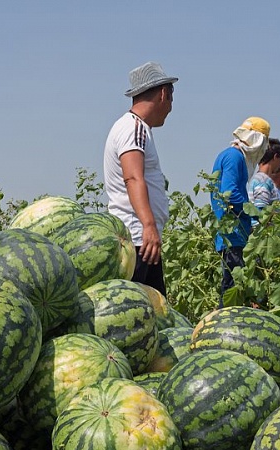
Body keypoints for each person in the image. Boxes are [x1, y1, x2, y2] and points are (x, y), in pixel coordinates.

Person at [103, 61, 177, 296]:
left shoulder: (137, 128)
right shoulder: (133, 127)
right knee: (139, 313)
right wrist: (148, 226)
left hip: (140, 240)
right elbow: (133, 178)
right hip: (138, 239)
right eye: (172, 99)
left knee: (155, 311)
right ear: (164, 93)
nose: (170, 108)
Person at [211, 117, 271, 304]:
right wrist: (256, 213)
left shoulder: (231, 156)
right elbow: (230, 193)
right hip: (232, 234)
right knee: (232, 290)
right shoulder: (234, 156)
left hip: (234, 233)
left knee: (235, 288)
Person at [247, 138, 280, 227]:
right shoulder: (263, 181)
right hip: (263, 235)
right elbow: (262, 214)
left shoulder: (259, 179)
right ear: (275, 157)